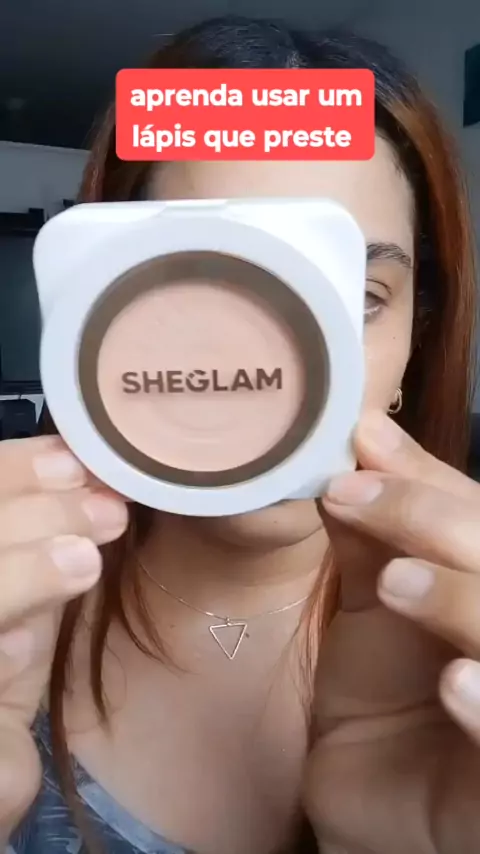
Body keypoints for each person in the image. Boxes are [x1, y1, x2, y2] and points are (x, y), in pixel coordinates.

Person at [1, 13, 479, 854]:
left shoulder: (457, 650)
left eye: (355, 299)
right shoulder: (17, 619)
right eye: (201, 288)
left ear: (417, 335)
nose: (278, 369)